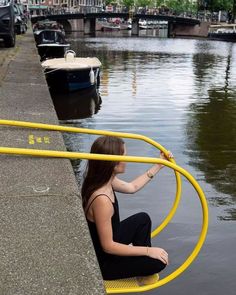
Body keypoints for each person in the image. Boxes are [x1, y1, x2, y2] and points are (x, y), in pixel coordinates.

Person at [82, 136, 172, 282]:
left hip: (110, 240)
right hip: (105, 263)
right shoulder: (102, 199)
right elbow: (108, 246)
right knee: (158, 262)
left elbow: (132, 187)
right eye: (124, 156)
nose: (127, 159)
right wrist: (149, 251)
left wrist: (159, 165)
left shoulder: (104, 180)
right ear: (112, 163)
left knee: (143, 219)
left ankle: (140, 262)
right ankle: (141, 264)